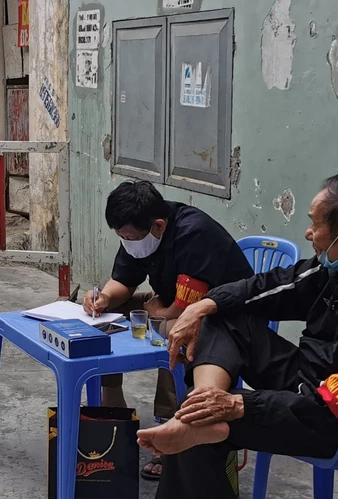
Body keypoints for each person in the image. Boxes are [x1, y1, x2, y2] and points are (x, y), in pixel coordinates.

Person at [136, 172, 338, 499]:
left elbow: (330, 408)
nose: (308, 232)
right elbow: (272, 286)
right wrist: (204, 305)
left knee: (200, 432)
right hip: (312, 380)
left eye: (315, 223)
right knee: (222, 318)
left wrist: (238, 404)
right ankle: (202, 401)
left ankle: (198, 417)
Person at [82, 180, 254, 480]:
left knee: (175, 333)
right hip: (171, 303)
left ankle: (171, 423)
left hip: (220, 317)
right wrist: (104, 298)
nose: (127, 242)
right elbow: (124, 281)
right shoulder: (139, 234)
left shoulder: (194, 234)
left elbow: (184, 310)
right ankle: (112, 406)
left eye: (130, 237)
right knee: (109, 314)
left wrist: (156, 313)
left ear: (158, 226)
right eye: (122, 237)